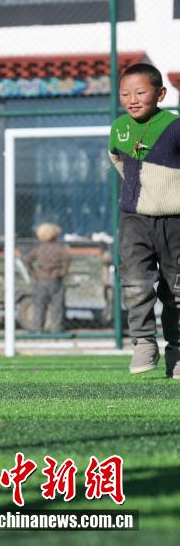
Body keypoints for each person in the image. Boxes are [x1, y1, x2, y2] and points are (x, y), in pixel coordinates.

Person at [109, 63, 180, 376]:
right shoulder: (119, 129)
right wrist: (139, 193)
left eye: (140, 92)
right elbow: (117, 159)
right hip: (134, 219)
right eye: (125, 94)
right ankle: (143, 342)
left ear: (160, 94)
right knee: (136, 281)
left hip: (175, 221)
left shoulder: (174, 126)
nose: (132, 100)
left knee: (176, 288)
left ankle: (177, 350)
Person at [23, 223, 70, 333]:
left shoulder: (39, 249)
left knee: (39, 306)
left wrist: (33, 272)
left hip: (41, 279)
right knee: (57, 307)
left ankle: (37, 329)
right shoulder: (59, 249)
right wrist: (63, 271)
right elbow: (67, 258)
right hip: (55, 279)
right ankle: (56, 329)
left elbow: (26, 259)